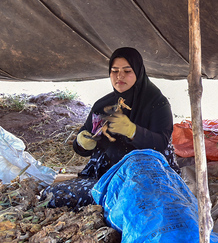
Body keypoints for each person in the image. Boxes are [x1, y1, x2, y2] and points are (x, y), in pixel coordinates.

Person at [42, 47, 179, 208]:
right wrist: (82, 142)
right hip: (106, 177)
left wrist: (133, 131)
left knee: (138, 199)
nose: (119, 76)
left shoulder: (157, 103)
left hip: (149, 178)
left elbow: (161, 143)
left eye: (127, 71)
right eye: (114, 71)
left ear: (138, 72)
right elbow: (83, 143)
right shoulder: (103, 105)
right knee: (51, 196)